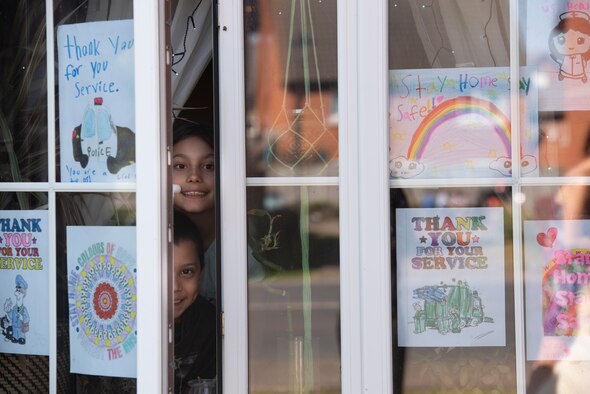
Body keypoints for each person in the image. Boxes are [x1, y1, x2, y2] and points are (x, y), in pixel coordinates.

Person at [172, 119, 264, 302]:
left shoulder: (242, 249)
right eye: (181, 166)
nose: (194, 177)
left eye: (209, 166)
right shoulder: (148, 242)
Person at [172, 210, 216, 393]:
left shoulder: (207, 324)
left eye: (186, 272)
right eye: (161, 271)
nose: (174, 286)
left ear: (201, 274)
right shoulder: (125, 325)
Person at [549, 11, 590, 83]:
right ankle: (563, 74)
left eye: (580, 40)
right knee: (565, 70)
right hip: (565, 71)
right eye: (561, 40)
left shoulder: (581, 57)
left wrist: (584, 62)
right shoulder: (564, 57)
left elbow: (584, 63)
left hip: (579, 71)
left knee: (580, 70)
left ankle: (582, 76)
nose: (571, 46)